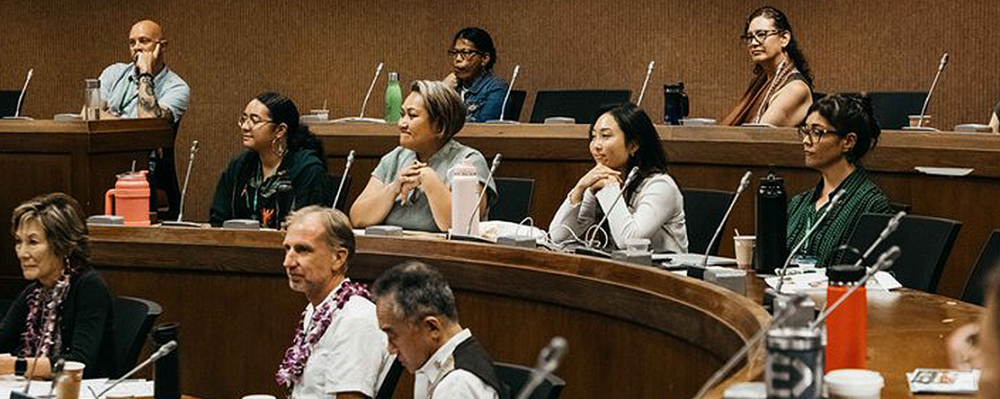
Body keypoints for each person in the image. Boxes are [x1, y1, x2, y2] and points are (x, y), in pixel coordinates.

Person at [276, 206, 392, 399]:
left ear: (338, 258)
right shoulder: (315, 309)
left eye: (303, 250)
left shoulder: (356, 319)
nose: (288, 262)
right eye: (287, 249)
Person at [350, 80, 496, 232]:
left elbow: (463, 226)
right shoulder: (394, 158)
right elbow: (358, 218)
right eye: (402, 115)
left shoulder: (469, 161)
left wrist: (429, 179)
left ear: (439, 125)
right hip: (390, 251)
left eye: (412, 116)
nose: (401, 123)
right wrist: (394, 188)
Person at [0, 193, 116, 378]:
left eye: (33, 242)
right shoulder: (34, 292)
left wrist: (16, 365)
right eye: (19, 242)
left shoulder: (89, 287)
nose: (22, 253)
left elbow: (80, 362)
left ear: (62, 245)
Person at [549, 103, 688, 253]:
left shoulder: (660, 186)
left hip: (664, 274)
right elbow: (558, 237)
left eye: (605, 136)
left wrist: (610, 188)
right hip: (619, 271)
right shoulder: (601, 181)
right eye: (593, 136)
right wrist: (580, 189)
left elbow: (629, 242)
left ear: (633, 145)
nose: (596, 145)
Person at [786, 94, 891, 267]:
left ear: (848, 142)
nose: (806, 140)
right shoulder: (798, 203)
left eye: (817, 132)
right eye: (805, 131)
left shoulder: (872, 205)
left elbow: (875, 277)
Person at [372, 261, 504, 399]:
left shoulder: (457, 386)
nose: (390, 348)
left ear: (432, 328)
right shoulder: (430, 365)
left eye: (393, 336)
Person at [209, 92, 332, 228]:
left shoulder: (307, 169)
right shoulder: (240, 165)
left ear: (280, 130)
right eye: (243, 119)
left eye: (255, 121)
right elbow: (218, 219)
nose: (245, 127)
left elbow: (309, 226)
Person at [721, 6, 813, 127]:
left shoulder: (795, 89)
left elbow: (758, 138)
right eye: (750, 37)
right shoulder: (763, 81)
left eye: (761, 34)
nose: (753, 43)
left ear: (784, 39)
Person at [442, 27, 509, 122]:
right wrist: (442, 90)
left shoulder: (496, 88)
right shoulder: (451, 85)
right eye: (455, 52)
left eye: (465, 53)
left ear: (484, 59)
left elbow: (482, 129)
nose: (457, 59)